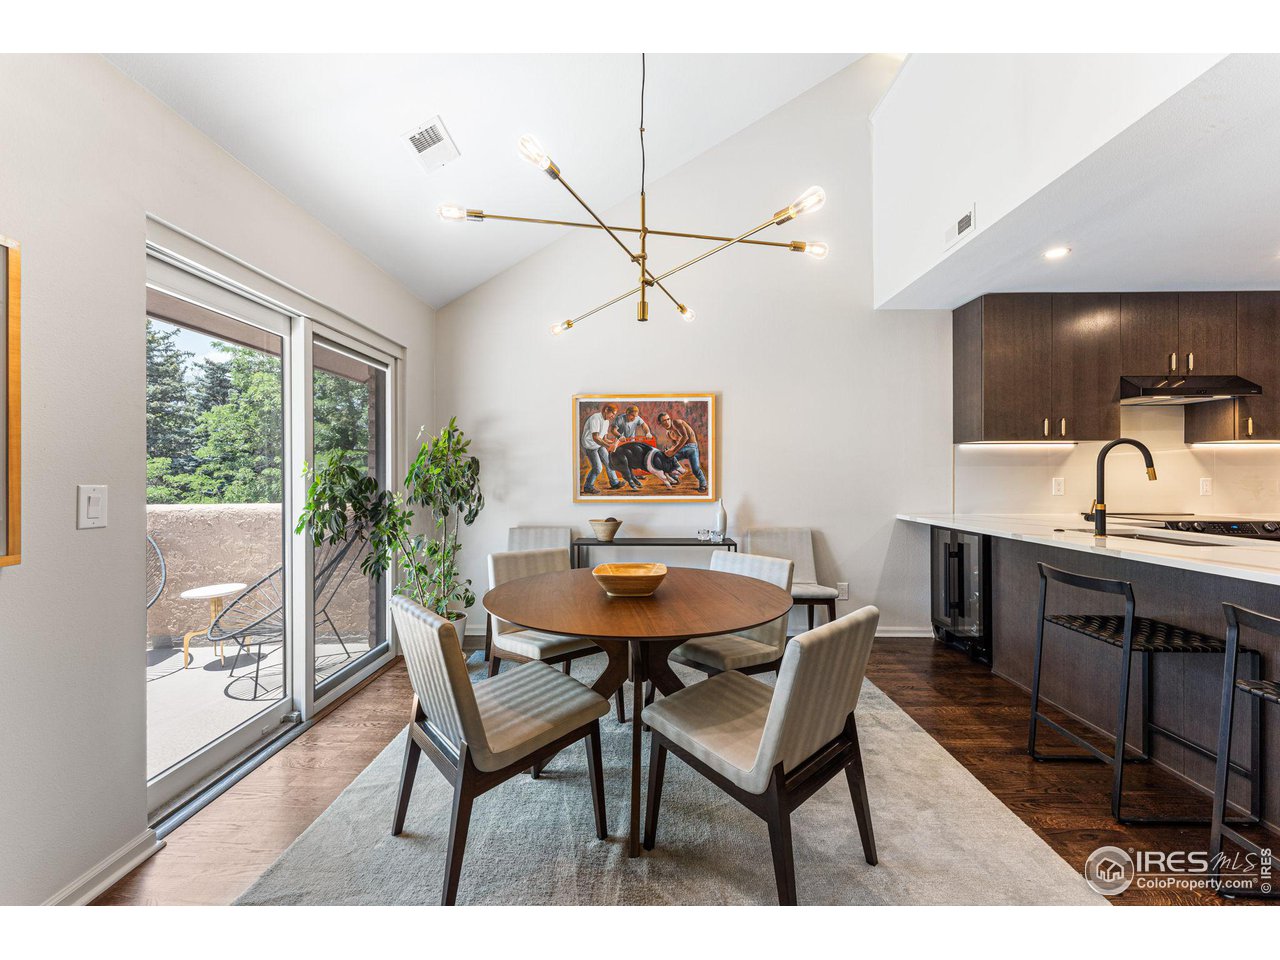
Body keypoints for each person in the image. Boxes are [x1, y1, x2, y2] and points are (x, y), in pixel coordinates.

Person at [657, 410, 708, 493]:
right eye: (664, 420)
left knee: (695, 469)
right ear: (660, 423)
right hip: (682, 449)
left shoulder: (677, 423)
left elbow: (685, 437)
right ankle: (675, 478)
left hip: (691, 447)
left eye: (668, 419)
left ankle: (703, 484)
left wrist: (673, 451)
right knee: (666, 459)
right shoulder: (668, 434)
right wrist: (669, 451)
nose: (667, 422)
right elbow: (676, 445)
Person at [580, 402, 622, 495]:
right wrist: (609, 446)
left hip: (598, 444)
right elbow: (595, 438)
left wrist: (611, 442)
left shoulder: (606, 421)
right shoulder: (595, 418)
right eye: (612, 413)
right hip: (590, 445)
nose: (613, 416)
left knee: (609, 463)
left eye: (615, 414)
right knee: (597, 468)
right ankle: (588, 486)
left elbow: (604, 438)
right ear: (606, 410)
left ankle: (614, 483)